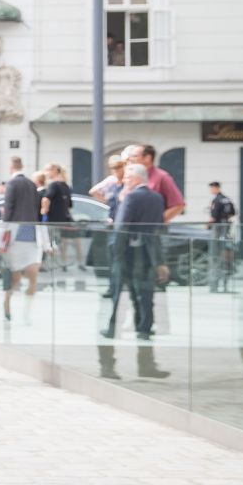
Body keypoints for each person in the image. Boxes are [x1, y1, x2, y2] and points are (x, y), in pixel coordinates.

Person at [97, 162, 169, 381]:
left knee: (119, 298)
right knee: (145, 299)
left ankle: (110, 349)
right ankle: (145, 344)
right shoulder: (157, 198)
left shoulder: (131, 197)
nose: (124, 181)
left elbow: (122, 227)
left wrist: (115, 255)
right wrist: (159, 260)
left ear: (137, 179)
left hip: (128, 255)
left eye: (127, 178)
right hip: (148, 255)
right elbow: (158, 228)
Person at [0, 156, 42, 320]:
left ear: (11, 168)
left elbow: (8, 210)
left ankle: (8, 306)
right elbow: (37, 210)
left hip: (15, 236)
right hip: (31, 234)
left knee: (14, 277)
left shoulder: (12, 184)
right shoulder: (32, 184)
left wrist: (3, 237)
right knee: (32, 277)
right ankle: (26, 313)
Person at [124, 144, 184, 222]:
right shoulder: (129, 176)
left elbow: (178, 205)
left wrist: (156, 222)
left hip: (151, 232)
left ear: (147, 158)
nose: (129, 159)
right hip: (130, 230)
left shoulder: (162, 177)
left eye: (134, 156)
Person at [42, 163, 79, 271]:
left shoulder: (53, 185)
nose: (46, 173)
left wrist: (44, 211)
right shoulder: (66, 186)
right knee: (61, 243)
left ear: (54, 170)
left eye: (48, 170)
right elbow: (70, 205)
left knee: (50, 243)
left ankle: (50, 264)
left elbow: (46, 199)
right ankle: (62, 264)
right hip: (63, 220)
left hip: (53, 221)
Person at [207, 180, 237, 292]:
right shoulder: (227, 199)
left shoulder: (216, 200)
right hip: (227, 231)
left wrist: (207, 226)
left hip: (218, 231)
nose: (211, 190)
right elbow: (233, 213)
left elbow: (213, 217)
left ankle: (214, 285)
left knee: (215, 257)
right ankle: (225, 285)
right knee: (226, 256)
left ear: (215, 188)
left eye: (211, 188)